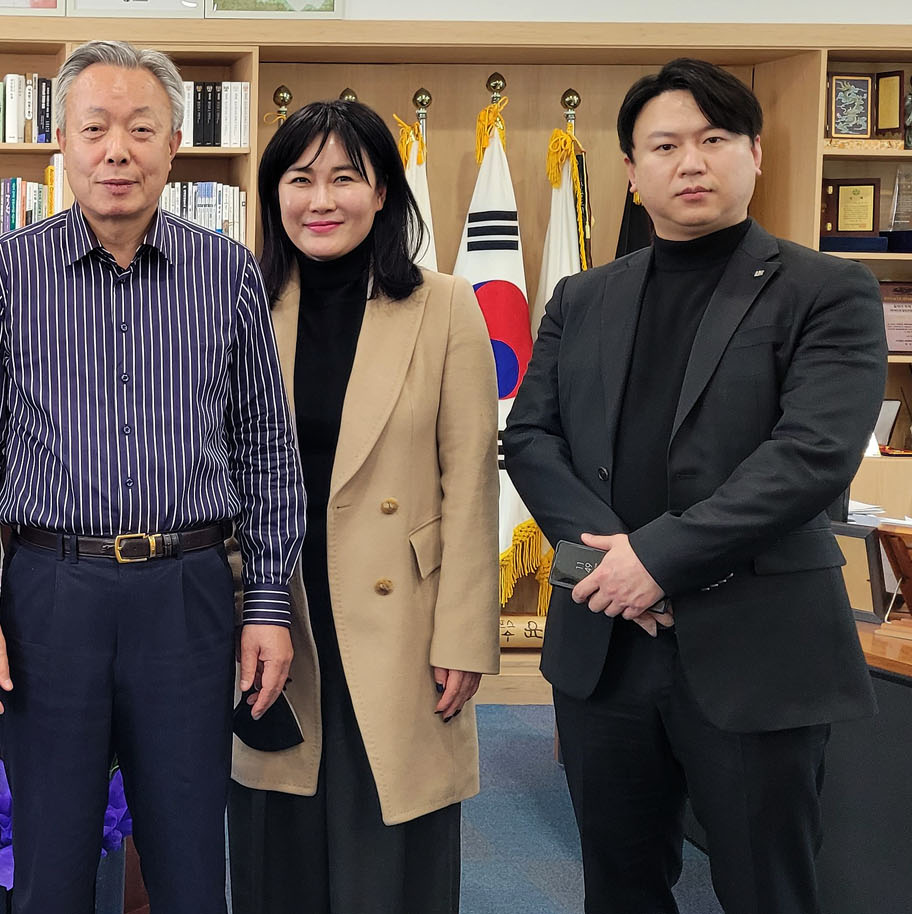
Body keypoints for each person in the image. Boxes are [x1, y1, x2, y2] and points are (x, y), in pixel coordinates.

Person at [503, 58, 885, 914]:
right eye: (665, 145)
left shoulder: (827, 291)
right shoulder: (582, 297)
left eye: (714, 140)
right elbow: (530, 437)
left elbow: (812, 455)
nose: (691, 163)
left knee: (767, 887)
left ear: (755, 152)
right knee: (619, 885)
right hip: (607, 645)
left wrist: (656, 561)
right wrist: (614, 569)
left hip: (757, 646)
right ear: (632, 171)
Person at [0, 39, 304, 914]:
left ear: (174, 145)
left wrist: (266, 604)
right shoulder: (3, 273)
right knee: (51, 861)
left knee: (189, 857)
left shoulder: (228, 273)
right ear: (60, 142)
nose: (117, 151)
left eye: (141, 129)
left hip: (188, 591)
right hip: (50, 593)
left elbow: (266, 446)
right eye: (94, 127)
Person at [225, 99, 499, 914]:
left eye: (346, 178)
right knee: (277, 837)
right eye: (300, 179)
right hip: (274, 607)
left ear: (382, 194)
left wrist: (464, 634)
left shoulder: (445, 305)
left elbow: (470, 482)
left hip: (402, 615)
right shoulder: (239, 306)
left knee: (392, 844)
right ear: (273, 194)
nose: (322, 200)